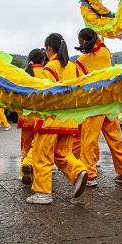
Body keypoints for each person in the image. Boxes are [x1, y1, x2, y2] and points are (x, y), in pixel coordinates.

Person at [26, 33, 87, 205]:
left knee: (41, 156)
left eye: (46, 49)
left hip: (51, 120)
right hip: (69, 119)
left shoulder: (49, 69)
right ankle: (78, 172)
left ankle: (42, 192)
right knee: (62, 154)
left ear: (49, 49)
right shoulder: (74, 67)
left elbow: (45, 95)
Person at [74, 28, 122, 187]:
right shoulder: (105, 52)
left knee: (89, 140)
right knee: (115, 139)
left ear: (82, 41)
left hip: (94, 105)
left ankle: (90, 174)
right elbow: (100, 41)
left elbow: (79, 84)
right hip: (110, 103)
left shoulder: (81, 60)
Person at [19, 48, 47, 185]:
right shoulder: (46, 73)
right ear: (43, 60)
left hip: (26, 117)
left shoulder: (24, 74)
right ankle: (35, 169)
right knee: (38, 146)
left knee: (25, 146)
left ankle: (22, 171)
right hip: (41, 117)